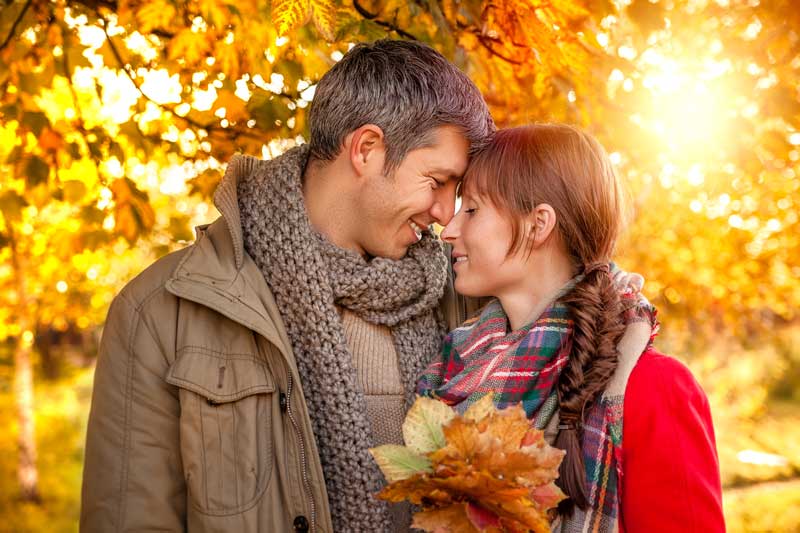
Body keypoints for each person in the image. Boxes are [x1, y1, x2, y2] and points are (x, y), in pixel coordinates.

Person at [80, 39, 494, 533]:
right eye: (437, 181)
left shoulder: (466, 296)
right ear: (366, 149)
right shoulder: (161, 312)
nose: (446, 213)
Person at [417, 124, 725, 533]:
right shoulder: (453, 374)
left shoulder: (654, 388)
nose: (449, 229)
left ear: (538, 224)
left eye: (471, 210)